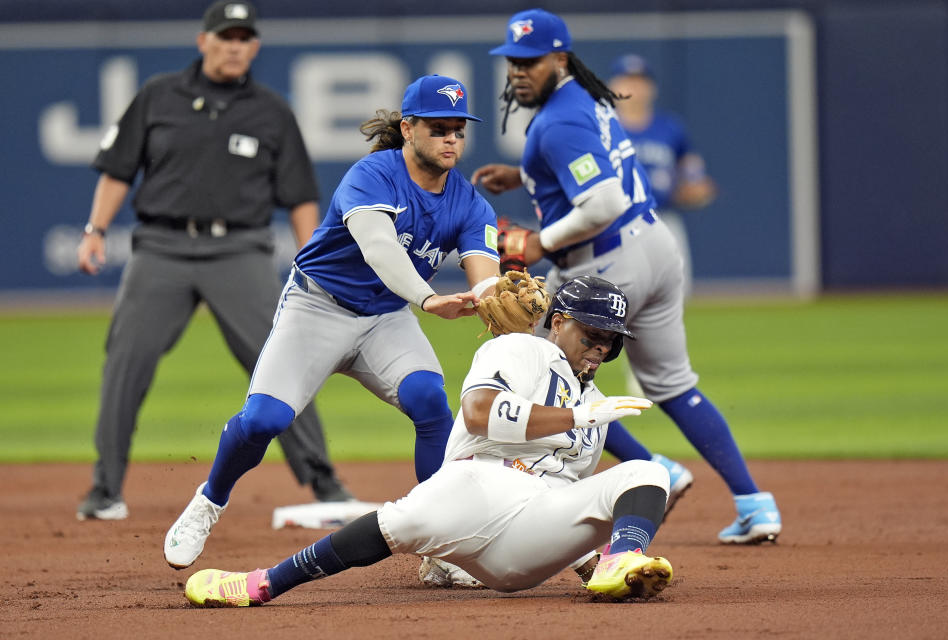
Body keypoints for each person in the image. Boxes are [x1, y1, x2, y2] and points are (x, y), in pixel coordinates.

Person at [163, 73, 505, 570]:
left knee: (430, 401)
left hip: (385, 317)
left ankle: (438, 546)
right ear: (408, 129)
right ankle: (209, 500)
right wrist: (429, 300)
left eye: (458, 128)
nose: (451, 138)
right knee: (264, 420)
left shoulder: (470, 203)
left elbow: (485, 278)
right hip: (317, 307)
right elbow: (380, 249)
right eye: (438, 127)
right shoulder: (371, 175)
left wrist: (495, 298)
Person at [471, 9, 781, 544]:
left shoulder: (557, 120)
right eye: (513, 62)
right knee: (674, 385)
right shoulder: (583, 99)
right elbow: (600, 173)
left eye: (531, 61)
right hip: (655, 246)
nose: (518, 72)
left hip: (607, 257)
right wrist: (525, 175)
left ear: (560, 59)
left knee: (553, 372)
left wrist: (540, 242)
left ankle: (654, 467)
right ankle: (755, 503)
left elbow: (604, 199)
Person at [181, 276, 674, 606]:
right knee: (401, 519)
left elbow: (569, 492)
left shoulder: (602, 408)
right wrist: (578, 414)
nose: (601, 348)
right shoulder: (518, 349)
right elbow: (480, 416)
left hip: (521, 551)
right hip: (476, 488)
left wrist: (583, 556)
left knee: (649, 472)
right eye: (592, 334)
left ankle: (619, 560)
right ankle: (261, 584)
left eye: (611, 341)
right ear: (560, 322)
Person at [74, 1, 354, 522]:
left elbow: (299, 195)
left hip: (239, 250)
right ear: (203, 41)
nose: (234, 46)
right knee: (125, 363)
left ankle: (324, 481)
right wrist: (95, 230)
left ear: (255, 47)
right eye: (225, 36)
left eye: (244, 38)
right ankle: (104, 490)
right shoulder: (159, 95)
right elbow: (117, 168)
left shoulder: (271, 110)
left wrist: (314, 258)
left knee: (282, 363)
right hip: (161, 248)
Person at [608, 54, 717, 298]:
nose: (634, 87)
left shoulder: (670, 128)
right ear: (611, 87)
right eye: (626, 80)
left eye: (640, 81)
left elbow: (694, 175)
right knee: (616, 299)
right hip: (615, 224)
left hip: (662, 219)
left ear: (652, 88)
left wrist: (694, 190)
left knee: (673, 298)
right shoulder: (601, 128)